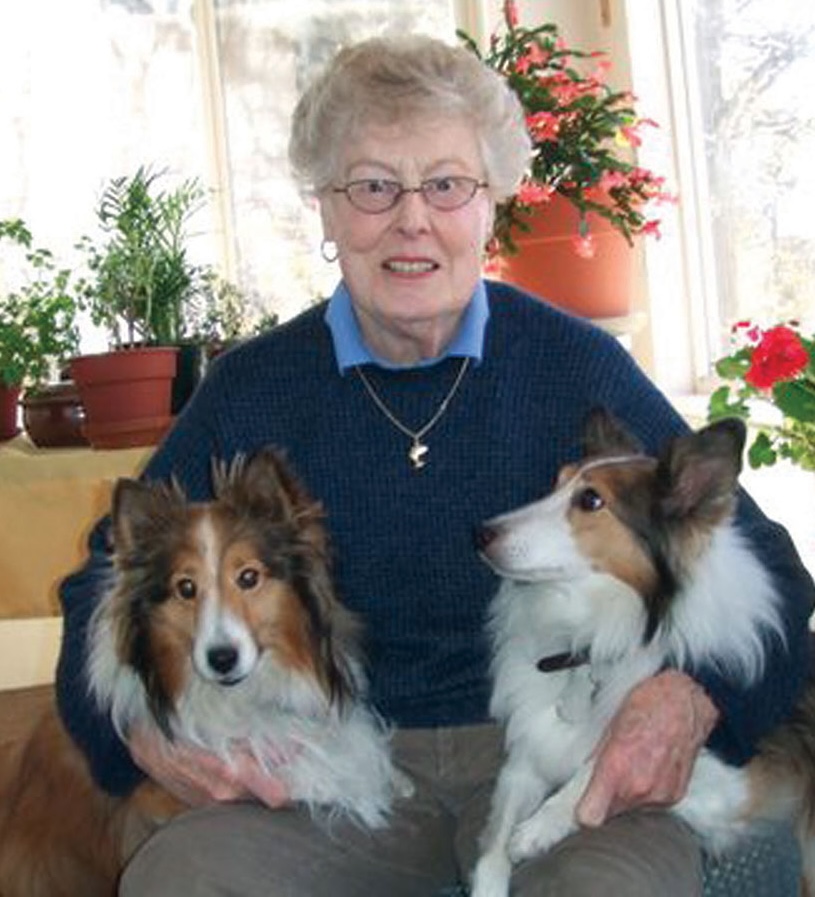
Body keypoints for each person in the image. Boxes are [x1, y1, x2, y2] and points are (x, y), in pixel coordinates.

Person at [56, 34, 814, 897]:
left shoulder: (574, 364)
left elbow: (776, 571)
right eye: (373, 186)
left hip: (567, 753)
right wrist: (137, 739)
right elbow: (101, 582)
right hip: (343, 769)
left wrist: (693, 697)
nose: (411, 219)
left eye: (447, 185)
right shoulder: (253, 387)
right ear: (327, 211)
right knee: (180, 880)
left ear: (491, 204)